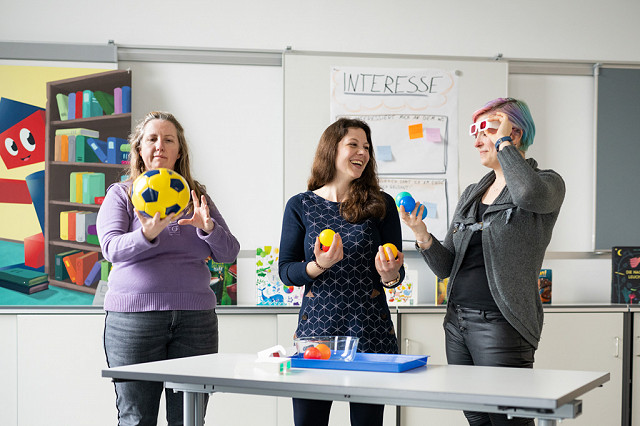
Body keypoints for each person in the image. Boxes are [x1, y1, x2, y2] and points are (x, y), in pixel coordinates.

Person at [401, 98, 565, 426]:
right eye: (474, 131)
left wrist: (503, 142)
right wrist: (422, 235)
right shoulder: (473, 193)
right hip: (457, 323)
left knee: (508, 420)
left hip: (501, 325)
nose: (476, 140)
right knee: (477, 417)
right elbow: (446, 267)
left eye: (485, 130)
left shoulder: (547, 183)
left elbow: (527, 194)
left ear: (514, 133)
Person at [97, 111, 240, 426]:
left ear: (179, 151)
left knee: (189, 420)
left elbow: (229, 252)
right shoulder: (121, 194)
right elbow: (110, 250)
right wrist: (146, 234)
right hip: (133, 322)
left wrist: (209, 228)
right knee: (137, 419)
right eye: (152, 139)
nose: (159, 145)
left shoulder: (196, 196)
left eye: (168, 139)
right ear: (140, 149)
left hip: (195, 323)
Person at [279, 118, 405, 426]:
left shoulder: (381, 204)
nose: (362, 152)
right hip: (317, 334)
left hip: (371, 332)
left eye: (366, 147)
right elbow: (286, 271)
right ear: (330, 150)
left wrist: (390, 274)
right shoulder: (300, 205)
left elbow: (394, 275)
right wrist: (319, 264)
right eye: (353, 144)